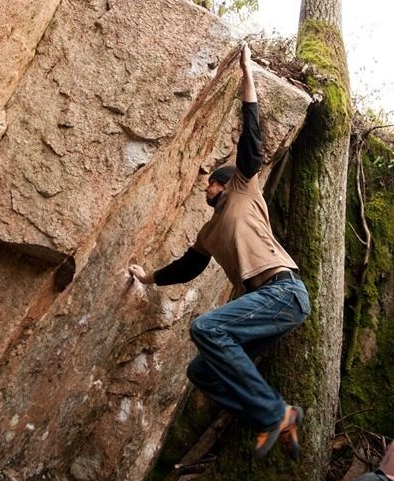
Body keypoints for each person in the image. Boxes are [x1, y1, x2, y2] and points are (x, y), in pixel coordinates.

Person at [129, 43, 310, 459]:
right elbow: (187, 267)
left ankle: (275, 413)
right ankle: (272, 417)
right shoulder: (209, 231)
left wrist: (248, 73)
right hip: (267, 305)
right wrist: (148, 277)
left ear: (226, 182)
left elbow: (252, 137)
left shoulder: (244, 189)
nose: (206, 188)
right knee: (202, 371)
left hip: (284, 292)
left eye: (211, 182)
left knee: (207, 328)